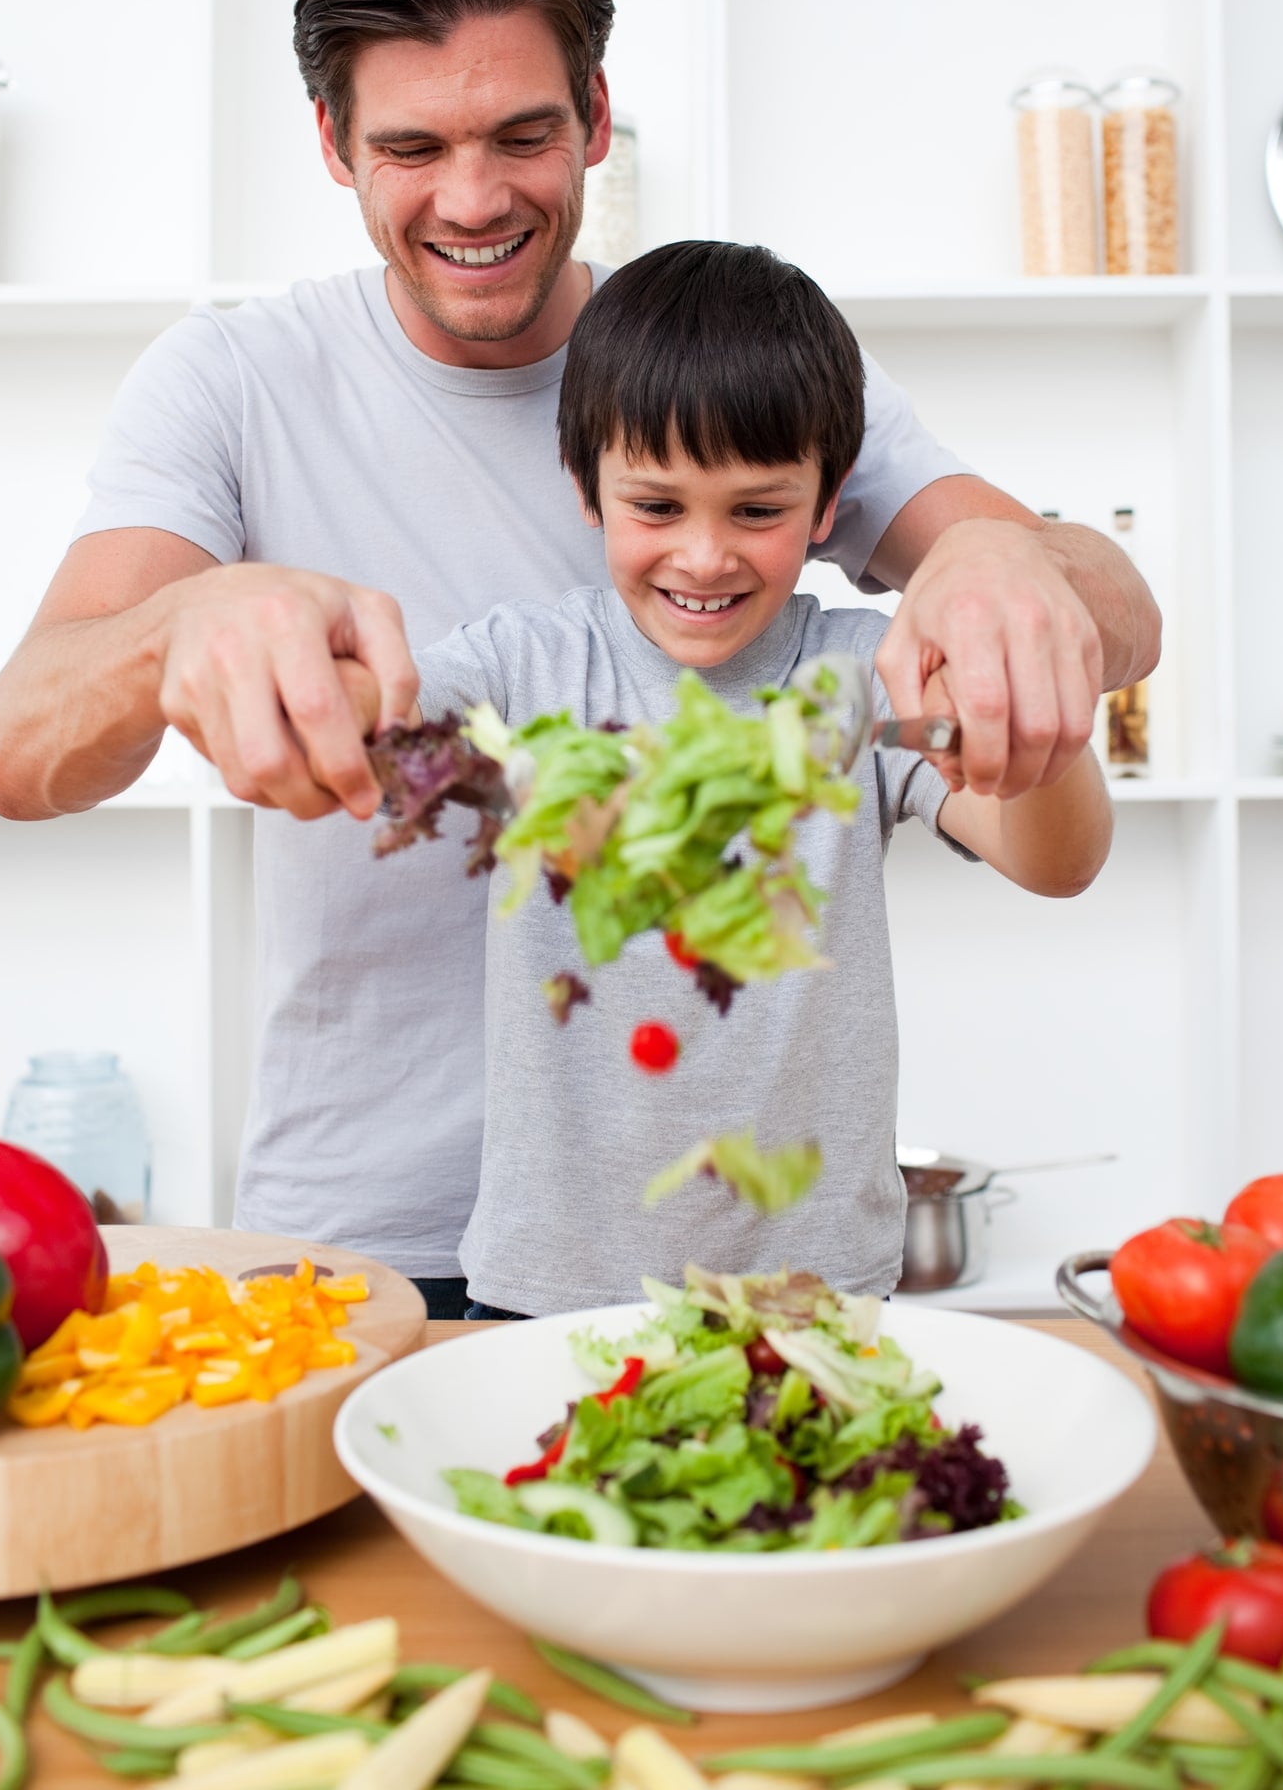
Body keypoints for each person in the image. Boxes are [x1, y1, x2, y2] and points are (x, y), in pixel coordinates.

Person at [0, 0, 1157, 1317]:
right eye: (413, 146)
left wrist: (1001, 557)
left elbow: (1119, 623)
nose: (474, 200)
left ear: (596, 117)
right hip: (364, 1239)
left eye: (523, 135)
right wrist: (175, 632)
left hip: (749, 1262)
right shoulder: (231, 384)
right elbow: (22, 752)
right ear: (335, 145)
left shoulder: (712, 367)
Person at [400, 239, 1112, 1317]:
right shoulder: (518, 667)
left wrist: (1030, 730)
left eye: (757, 511)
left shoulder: (864, 675)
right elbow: (374, 735)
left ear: (828, 506)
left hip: (815, 1291)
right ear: (585, 486)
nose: (702, 556)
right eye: (656, 506)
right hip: (549, 1289)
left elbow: (1060, 863)